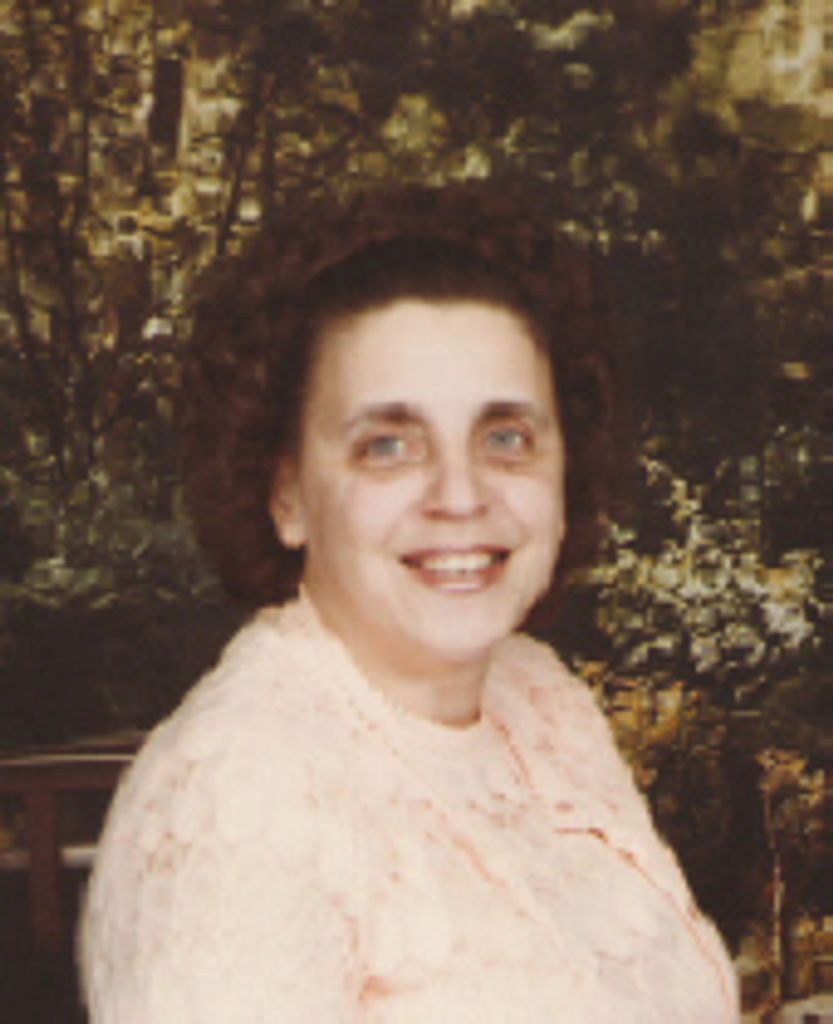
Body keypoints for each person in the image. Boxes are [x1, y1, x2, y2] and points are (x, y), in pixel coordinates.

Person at [79, 185, 740, 1022]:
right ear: (285, 493)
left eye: (505, 438)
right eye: (387, 446)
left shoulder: (540, 700)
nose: (459, 496)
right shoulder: (236, 802)